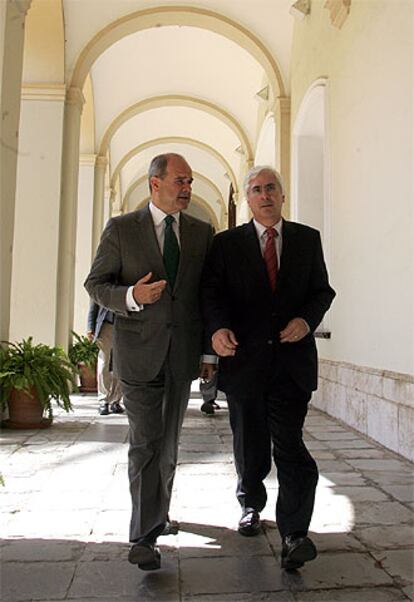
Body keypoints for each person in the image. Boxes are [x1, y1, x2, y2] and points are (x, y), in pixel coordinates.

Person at [84, 153, 215, 571]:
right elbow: (96, 284)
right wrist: (131, 298)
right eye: (180, 180)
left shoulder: (201, 232)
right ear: (154, 183)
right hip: (138, 355)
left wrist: (208, 352)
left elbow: (207, 296)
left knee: (169, 444)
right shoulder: (122, 229)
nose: (187, 188)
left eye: (190, 181)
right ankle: (142, 536)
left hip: (181, 357)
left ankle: (160, 514)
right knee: (146, 442)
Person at [201, 165, 335, 571]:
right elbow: (212, 293)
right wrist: (218, 328)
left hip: (291, 365)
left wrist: (306, 321)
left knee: (291, 447)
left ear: (282, 194)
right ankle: (251, 502)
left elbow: (322, 290)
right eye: (256, 189)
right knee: (250, 444)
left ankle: (294, 534)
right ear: (248, 198)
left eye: (271, 188)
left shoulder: (307, 240)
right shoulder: (227, 244)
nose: (264, 195)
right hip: (244, 363)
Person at [87, 300, 124, 415]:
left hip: (124, 326)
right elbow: (94, 305)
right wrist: (90, 327)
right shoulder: (103, 282)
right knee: (104, 362)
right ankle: (104, 401)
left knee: (120, 363)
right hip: (105, 325)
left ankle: (115, 401)